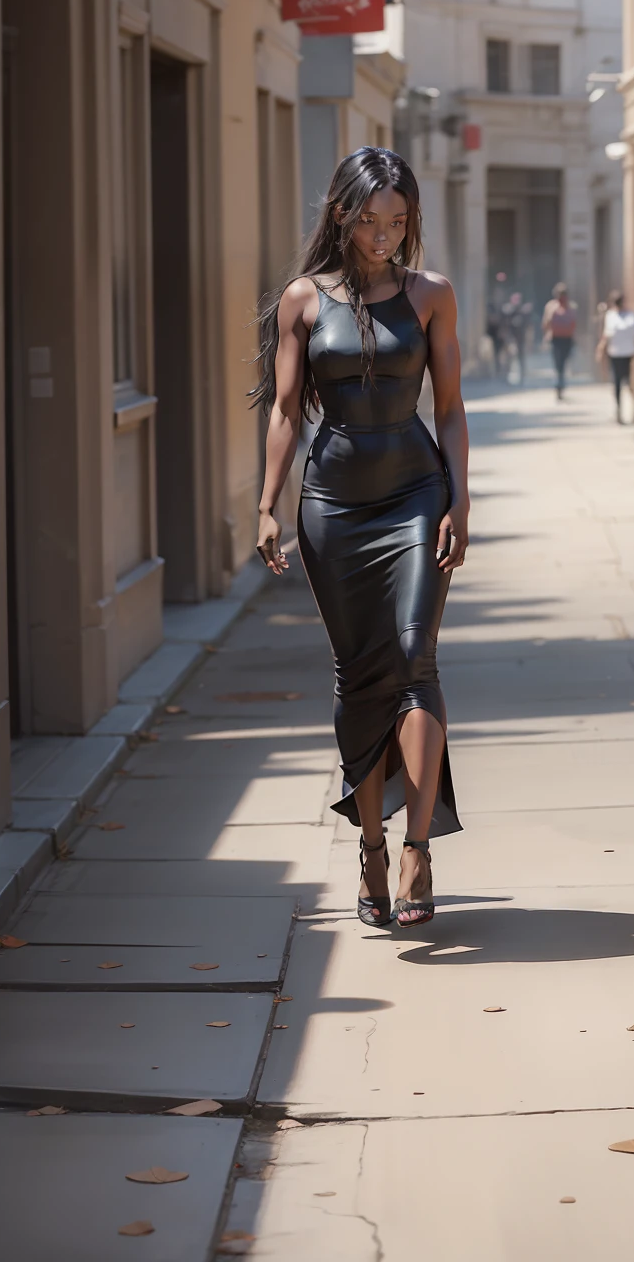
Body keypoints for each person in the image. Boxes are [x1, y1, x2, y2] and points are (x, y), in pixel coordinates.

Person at [255, 148, 469, 928]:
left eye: (400, 221)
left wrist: (461, 500)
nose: (385, 235)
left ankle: (416, 846)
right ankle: (370, 846)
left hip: (415, 491)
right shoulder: (304, 301)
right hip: (335, 504)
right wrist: (268, 503)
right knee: (359, 672)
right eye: (372, 219)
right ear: (341, 212)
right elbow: (284, 409)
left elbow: (448, 406)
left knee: (415, 657)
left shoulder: (432, 296)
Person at [598, 293, 634, 423]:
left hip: (625, 354)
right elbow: (607, 335)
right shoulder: (613, 316)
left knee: (626, 383)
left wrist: (600, 350)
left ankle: (632, 411)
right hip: (617, 354)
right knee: (619, 382)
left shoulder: (628, 316)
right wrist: (601, 349)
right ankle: (620, 412)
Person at [542, 282, 580, 398]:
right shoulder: (553, 306)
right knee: (559, 364)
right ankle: (559, 384)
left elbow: (574, 324)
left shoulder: (569, 307)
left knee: (561, 364)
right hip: (557, 339)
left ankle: (560, 383)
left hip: (564, 339)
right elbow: (546, 323)